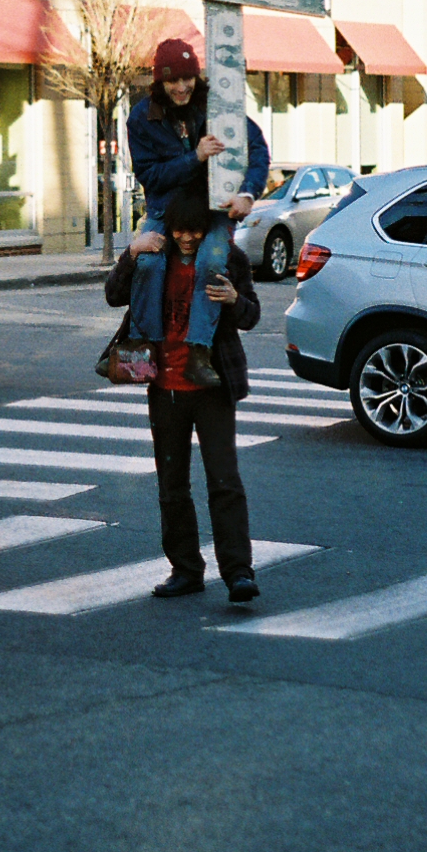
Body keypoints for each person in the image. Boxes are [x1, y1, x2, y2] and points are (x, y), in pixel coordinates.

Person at [105, 186, 262, 603]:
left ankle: (238, 572)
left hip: (211, 387)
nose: (187, 238)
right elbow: (113, 295)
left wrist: (234, 300)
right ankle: (186, 569)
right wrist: (130, 253)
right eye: (179, 231)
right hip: (164, 388)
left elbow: (252, 315)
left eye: (195, 231)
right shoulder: (154, 257)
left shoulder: (228, 258)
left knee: (224, 482)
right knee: (172, 485)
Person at [125, 37, 269, 389]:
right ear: (159, 81)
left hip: (212, 208)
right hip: (166, 211)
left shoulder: (218, 107)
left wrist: (247, 193)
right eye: (172, 80)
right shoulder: (142, 117)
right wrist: (196, 157)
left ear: (197, 76)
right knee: (149, 263)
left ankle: (199, 352)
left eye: (187, 78)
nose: (181, 87)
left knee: (212, 260)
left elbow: (256, 149)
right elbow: (149, 175)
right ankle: (144, 347)